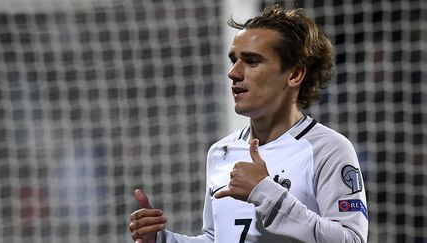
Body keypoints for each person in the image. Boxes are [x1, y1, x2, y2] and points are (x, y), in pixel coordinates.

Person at [129, 4, 368, 243]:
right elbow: (217, 238)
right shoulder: (221, 153)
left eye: (252, 61)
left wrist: (265, 192)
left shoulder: (328, 149)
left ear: (295, 74)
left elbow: (351, 239)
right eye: (234, 60)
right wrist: (161, 240)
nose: (233, 72)